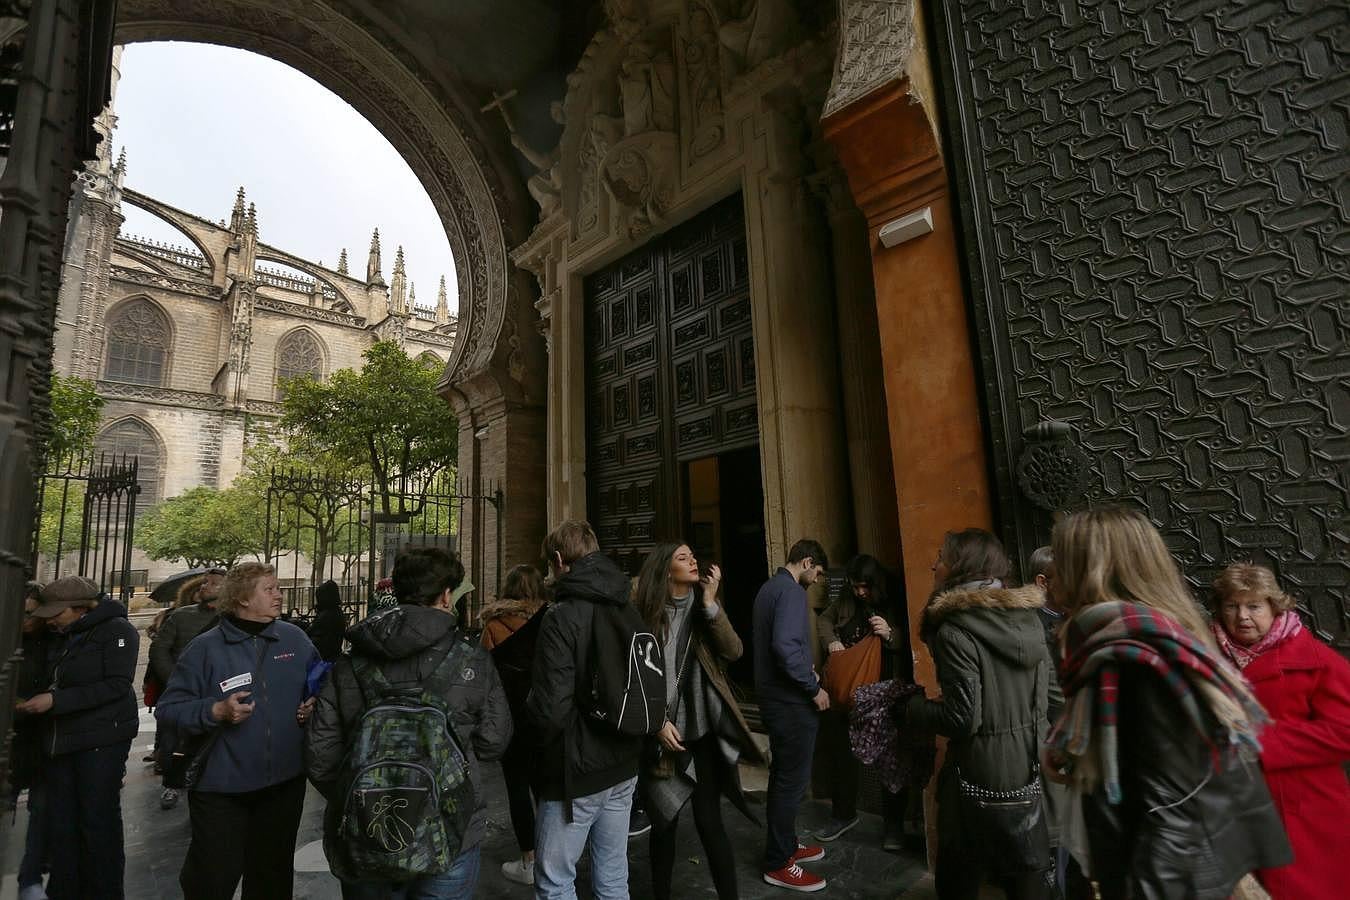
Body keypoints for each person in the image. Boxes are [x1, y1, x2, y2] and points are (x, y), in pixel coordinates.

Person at [1042, 508, 1291, 899]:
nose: (1051, 570)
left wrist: (1145, 889)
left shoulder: (1134, 655)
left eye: (1060, 557)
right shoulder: (1129, 636)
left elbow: (1172, 798)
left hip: (1164, 875)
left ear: (1090, 566)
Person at [306, 547, 512, 899]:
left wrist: (362, 793)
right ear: (446, 595)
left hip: (365, 833)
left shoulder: (351, 662)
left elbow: (321, 754)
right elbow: (494, 738)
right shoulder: (471, 657)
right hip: (451, 831)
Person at [895, 529, 1052, 900]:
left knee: (958, 874)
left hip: (977, 771)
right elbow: (1042, 698)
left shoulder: (954, 630)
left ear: (960, 567)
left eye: (942, 557)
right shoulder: (1028, 617)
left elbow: (963, 718)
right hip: (1027, 767)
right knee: (1024, 873)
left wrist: (910, 707)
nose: (934, 564)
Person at [156, 562, 319, 900]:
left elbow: (320, 683)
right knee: (214, 877)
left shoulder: (296, 639)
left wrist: (313, 703)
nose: (279, 595)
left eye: (278, 588)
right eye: (269, 589)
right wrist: (215, 710)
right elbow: (169, 709)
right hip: (222, 787)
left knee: (272, 876)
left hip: (284, 783)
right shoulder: (205, 648)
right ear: (243, 598)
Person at [1209, 563, 1350, 900]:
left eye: (1254, 605)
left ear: (1275, 606)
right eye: (1232, 606)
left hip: (1303, 807)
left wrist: (1262, 742)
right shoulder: (1206, 655)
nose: (1243, 616)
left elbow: (1345, 730)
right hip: (1228, 802)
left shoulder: (1316, 660)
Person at [634, 543, 765, 900]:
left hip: (701, 728)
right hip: (662, 733)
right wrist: (656, 722)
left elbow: (734, 650)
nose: (693, 561)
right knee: (664, 823)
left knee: (710, 821)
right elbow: (634, 679)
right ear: (665, 570)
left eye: (692, 556)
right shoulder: (645, 615)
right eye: (682, 557)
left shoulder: (702, 609)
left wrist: (710, 603)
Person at [526, 520, 645, 900]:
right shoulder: (626, 605)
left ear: (559, 561)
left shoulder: (560, 615)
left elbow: (551, 709)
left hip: (577, 768)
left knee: (555, 879)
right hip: (625, 757)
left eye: (549, 564)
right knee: (612, 876)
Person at [16, 576, 139, 900]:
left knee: (98, 824)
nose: (52, 619)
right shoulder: (65, 634)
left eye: (58, 612)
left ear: (81, 607)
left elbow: (117, 684)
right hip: (63, 740)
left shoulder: (117, 631)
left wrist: (56, 701)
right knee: (64, 825)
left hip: (100, 740)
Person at [815, 553, 910, 848]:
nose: (859, 593)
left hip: (884, 692)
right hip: (848, 692)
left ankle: (893, 826)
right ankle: (843, 814)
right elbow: (825, 620)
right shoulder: (846, 598)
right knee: (842, 755)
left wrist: (891, 634)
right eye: (855, 587)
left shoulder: (894, 596)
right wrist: (831, 641)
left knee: (889, 759)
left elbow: (910, 638)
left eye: (864, 587)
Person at [752, 538, 830, 893]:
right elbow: (784, 645)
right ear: (807, 562)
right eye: (818, 573)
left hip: (775, 699)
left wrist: (804, 669)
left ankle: (786, 845)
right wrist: (813, 688)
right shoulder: (791, 591)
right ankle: (778, 862)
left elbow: (784, 647)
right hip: (790, 704)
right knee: (790, 782)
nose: (817, 581)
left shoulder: (769, 588)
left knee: (784, 778)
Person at [480, 564, 551, 886]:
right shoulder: (551, 621)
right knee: (547, 787)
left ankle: (529, 860)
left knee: (518, 788)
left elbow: (484, 677)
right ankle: (554, 854)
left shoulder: (494, 626)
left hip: (509, 719)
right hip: (545, 715)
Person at [148, 569, 224, 808]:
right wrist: (174, 679)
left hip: (215, 691)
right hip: (184, 690)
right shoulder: (181, 616)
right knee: (175, 741)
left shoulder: (231, 617)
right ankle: (172, 785)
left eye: (212, 584)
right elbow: (159, 650)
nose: (204, 587)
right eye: (204, 583)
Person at [11, 583, 56, 900]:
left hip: (44, 735)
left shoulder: (57, 643)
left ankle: (30, 876)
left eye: (30, 613)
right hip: (12, 734)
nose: (24, 619)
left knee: (42, 810)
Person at [306, 579, 347, 661]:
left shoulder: (327, 616)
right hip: (331, 655)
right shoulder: (335, 612)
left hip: (323, 658)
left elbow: (311, 634)